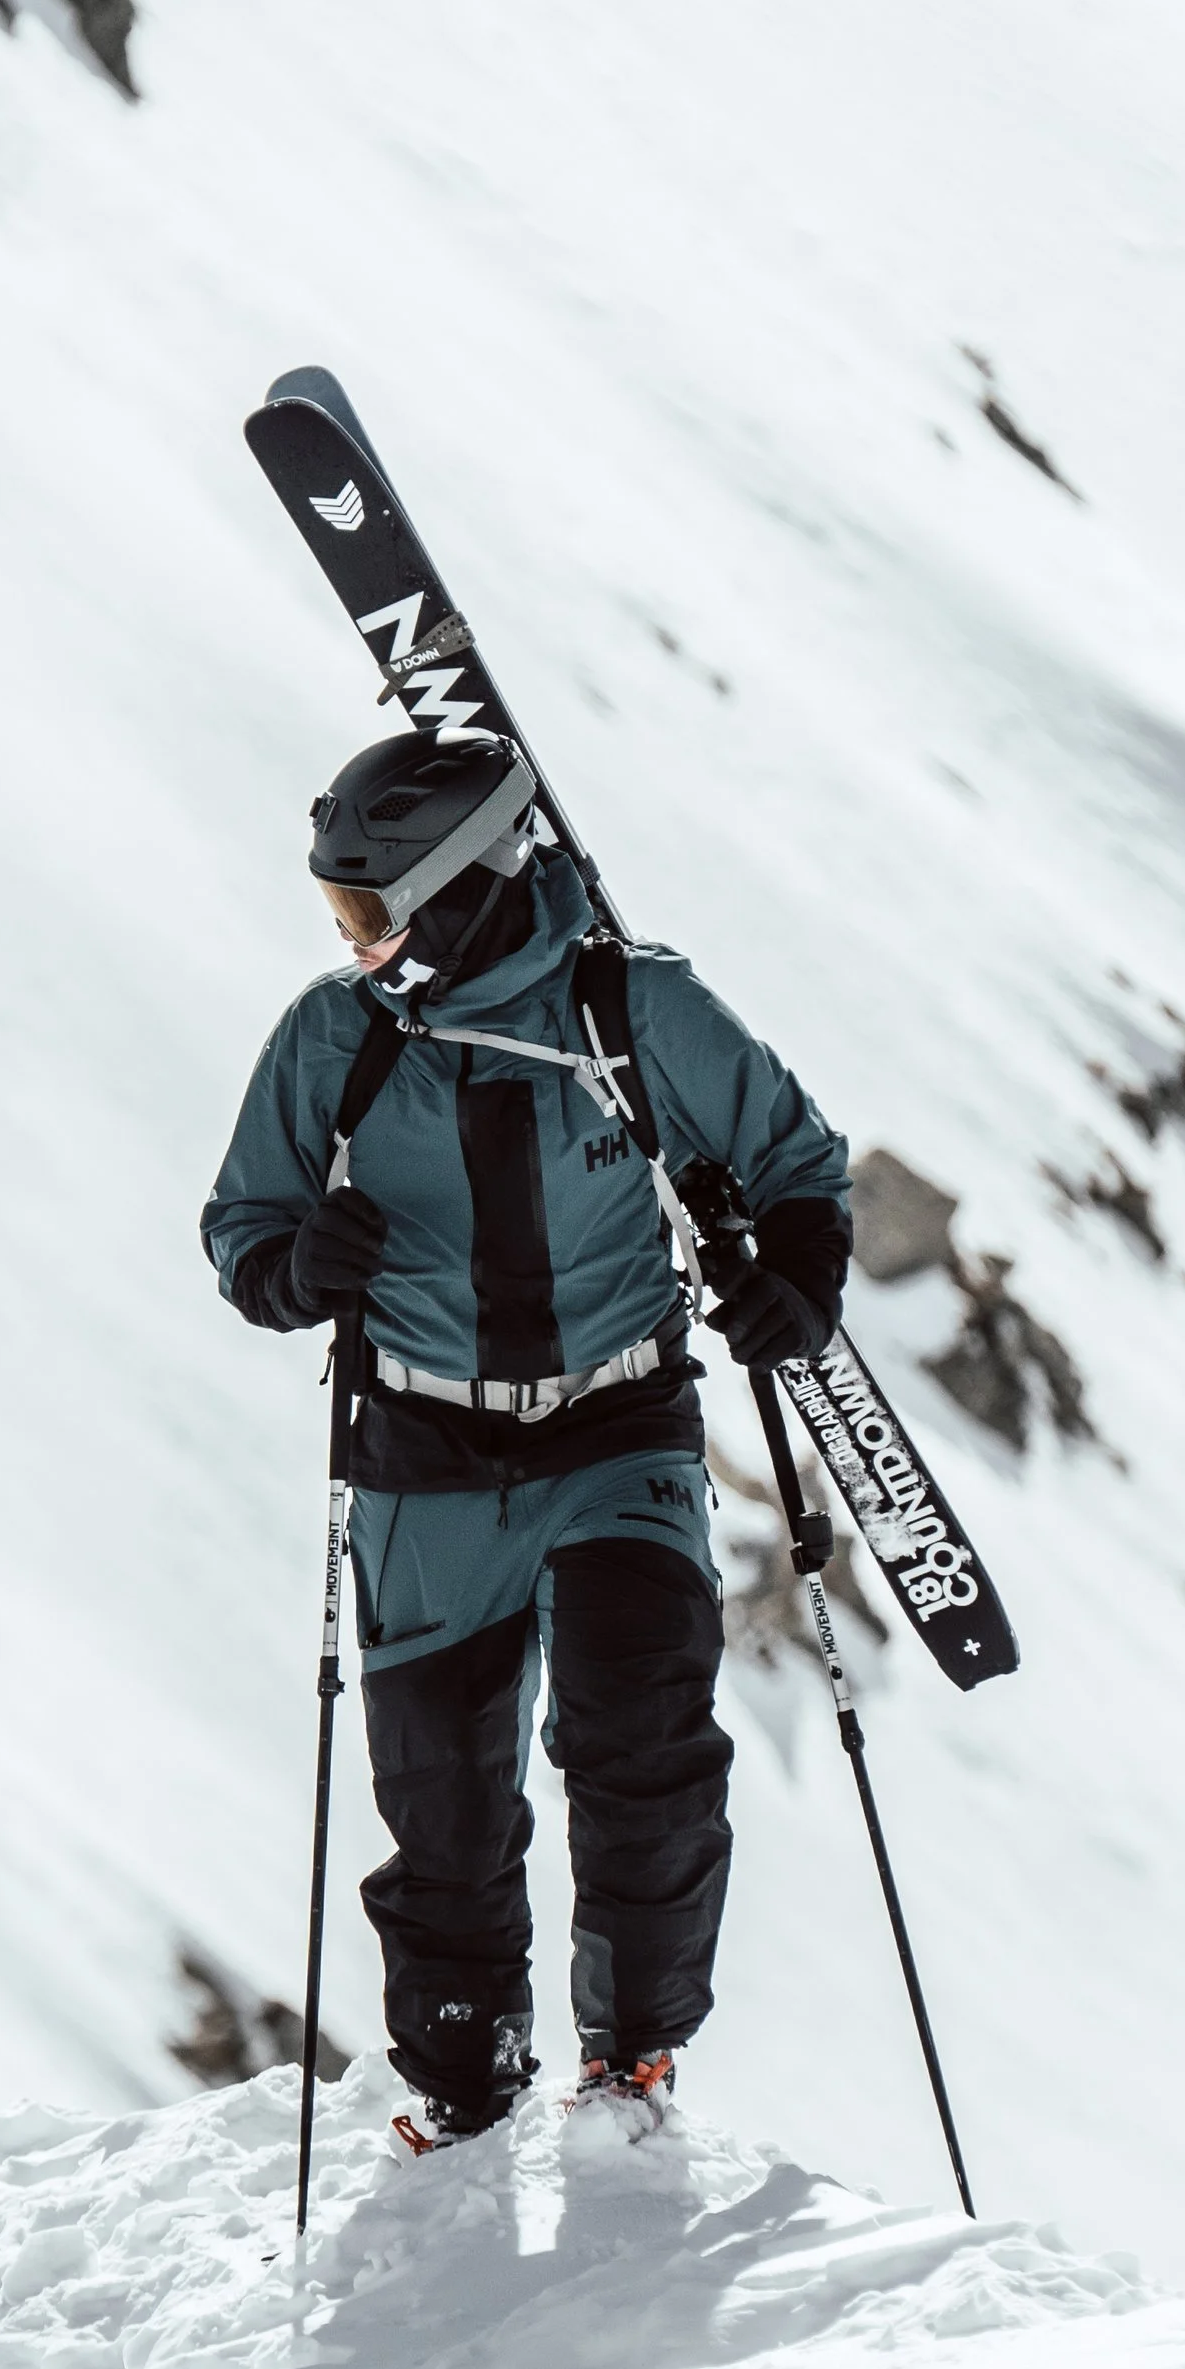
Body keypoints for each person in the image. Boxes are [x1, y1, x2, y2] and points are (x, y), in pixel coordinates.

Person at [201, 730, 851, 2149]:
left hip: (621, 1430)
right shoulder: (339, 1037)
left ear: (465, 885)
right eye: (341, 920)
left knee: (645, 1749)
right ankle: (464, 2085)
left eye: (374, 914)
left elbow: (798, 1160)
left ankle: (633, 2062)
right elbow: (242, 1231)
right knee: (442, 1805)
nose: (357, 946)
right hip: (424, 1460)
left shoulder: (635, 1010)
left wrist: (793, 1279)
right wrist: (302, 1269)